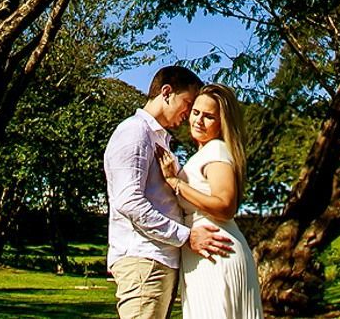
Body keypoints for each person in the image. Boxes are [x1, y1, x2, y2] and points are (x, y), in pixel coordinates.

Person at [104, 66, 235, 319]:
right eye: (187, 103)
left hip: (158, 260)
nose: (188, 115)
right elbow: (128, 201)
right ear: (166, 93)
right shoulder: (134, 131)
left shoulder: (158, 138)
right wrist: (186, 237)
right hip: (143, 259)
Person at [159, 83, 263, 319]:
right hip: (205, 251)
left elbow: (226, 206)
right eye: (195, 113)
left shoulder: (216, 150)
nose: (198, 121)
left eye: (208, 117)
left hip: (217, 250)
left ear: (222, 122)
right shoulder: (204, 153)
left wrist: (176, 183)